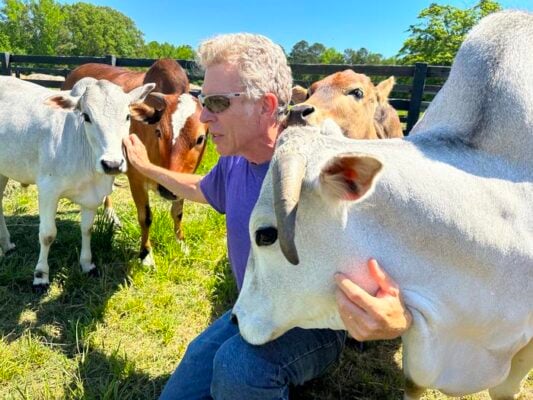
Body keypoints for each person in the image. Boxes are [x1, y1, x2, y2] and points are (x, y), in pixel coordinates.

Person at [123, 33, 411, 400]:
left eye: (216, 102)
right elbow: (201, 188)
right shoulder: (233, 160)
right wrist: (148, 168)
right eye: (202, 100)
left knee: (238, 369)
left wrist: (399, 313)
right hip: (254, 305)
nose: (204, 116)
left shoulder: (321, 170)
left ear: (266, 106)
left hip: (314, 323)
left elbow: (390, 239)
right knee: (187, 378)